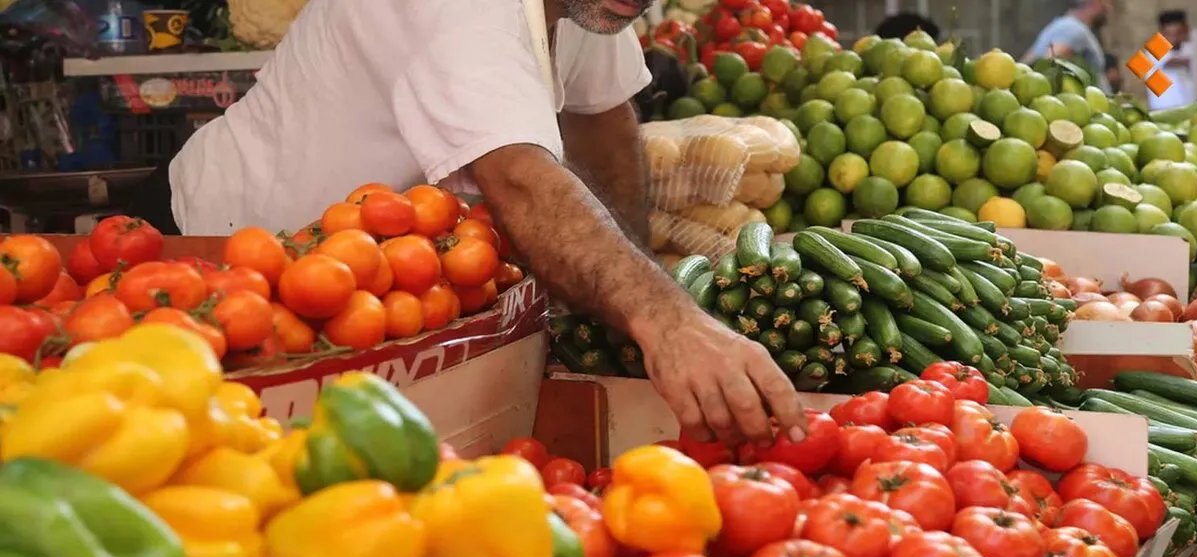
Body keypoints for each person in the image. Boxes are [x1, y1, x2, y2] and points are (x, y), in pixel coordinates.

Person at [126, 0, 807, 446]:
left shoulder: (592, 2)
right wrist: (668, 320)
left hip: (374, 286)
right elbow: (518, 178)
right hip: (223, 257)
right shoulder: (458, 7)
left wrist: (630, 304)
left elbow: (601, 118)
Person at [1023, 0, 1113, 93]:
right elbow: (1048, 63)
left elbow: (1026, 63)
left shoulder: (1058, 25)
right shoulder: (1075, 29)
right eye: (1108, 3)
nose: (1110, 9)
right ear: (1096, 2)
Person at [1148, 10, 1196, 111]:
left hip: (1190, 106)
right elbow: (1171, 62)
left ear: (1185, 30)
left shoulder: (1190, 47)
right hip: (1162, 109)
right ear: (1161, 33)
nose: (1173, 38)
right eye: (1169, 34)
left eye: (1178, 33)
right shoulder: (1154, 47)